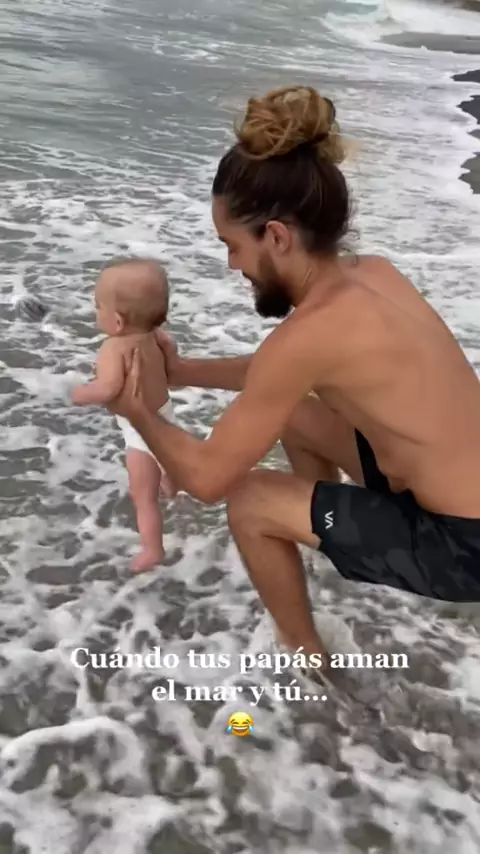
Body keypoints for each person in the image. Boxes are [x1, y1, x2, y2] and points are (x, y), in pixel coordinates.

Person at [106, 85, 480, 667]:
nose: (232, 265)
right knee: (299, 417)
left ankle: (309, 660)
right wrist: (184, 372)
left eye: (233, 246)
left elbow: (206, 479)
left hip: (464, 544)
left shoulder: (308, 336)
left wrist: (136, 410)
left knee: (250, 500)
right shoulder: (373, 275)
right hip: (448, 489)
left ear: (277, 237)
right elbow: (279, 375)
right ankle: (325, 539)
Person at [72, 258, 177, 572]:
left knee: (143, 496)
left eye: (98, 306)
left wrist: (76, 394)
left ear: (117, 322)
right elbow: (171, 360)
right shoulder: (157, 336)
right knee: (167, 460)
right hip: (165, 412)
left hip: (140, 432)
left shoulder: (113, 348)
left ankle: (152, 549)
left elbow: (108, 389)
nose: (95, 311)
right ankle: (173, 486)